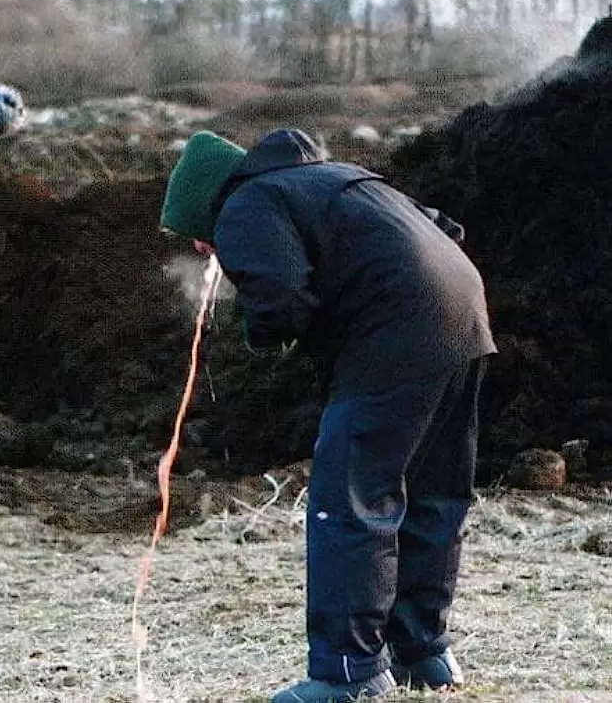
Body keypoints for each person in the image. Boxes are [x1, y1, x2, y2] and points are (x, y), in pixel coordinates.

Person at [159, 129, 496, 703]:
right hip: (463, 320)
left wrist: (263, 333)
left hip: (393, 336)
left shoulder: (246, 202)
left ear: (208, 203)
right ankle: (424, 654)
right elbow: (446, 229)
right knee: (433, 493)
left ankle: (349, 673)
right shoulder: (338, 178)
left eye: (195, 233)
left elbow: (281, 301)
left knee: (351, 502)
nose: (199, 249)